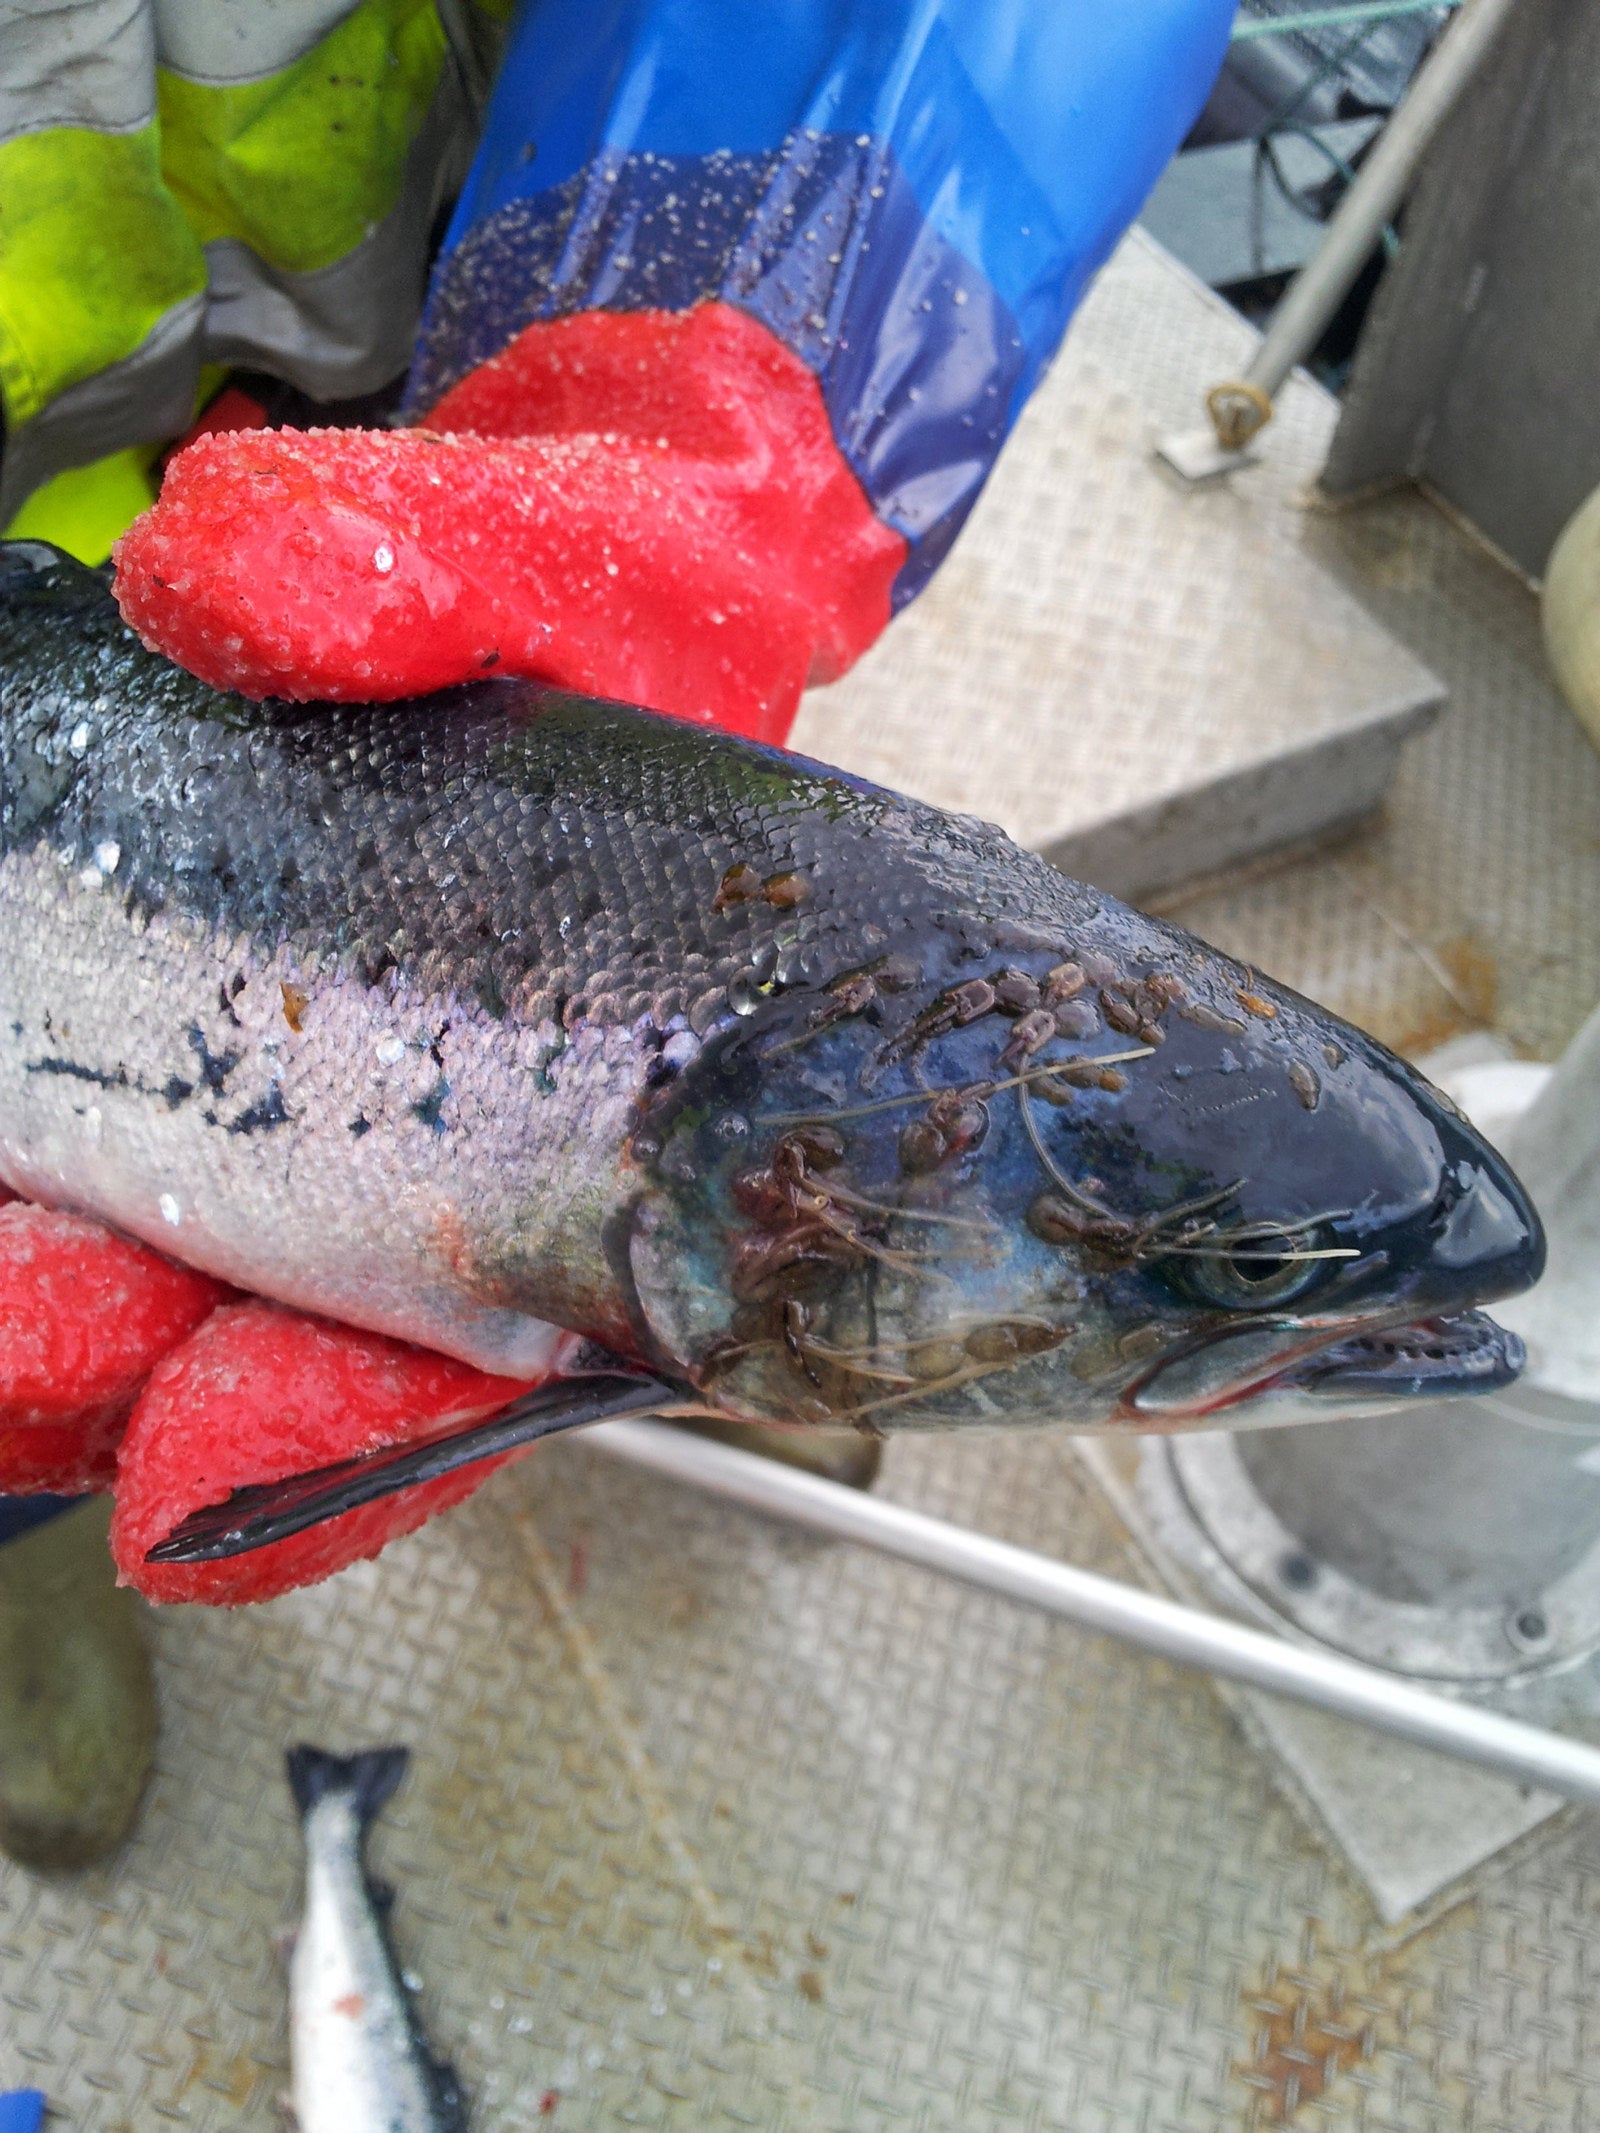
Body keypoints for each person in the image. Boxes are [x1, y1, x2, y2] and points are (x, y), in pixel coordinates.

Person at [0, 0, 1232, 1868]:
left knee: (691, 854)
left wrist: (728, 343)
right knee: (54, 1348)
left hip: (454, 368)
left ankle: (730, 1320)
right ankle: (31, 1536)